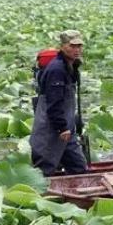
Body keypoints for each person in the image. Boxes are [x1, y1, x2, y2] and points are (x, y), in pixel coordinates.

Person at [30, 30, 87, 176]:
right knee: (45, 169)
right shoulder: (57, 69)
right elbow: (54, 103)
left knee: (78, 167)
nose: (77, 50)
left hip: (67, 128)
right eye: (72, 46)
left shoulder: (71, 66)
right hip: (52, 129)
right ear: (62, 46)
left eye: (79, 46)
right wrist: (61, 128)